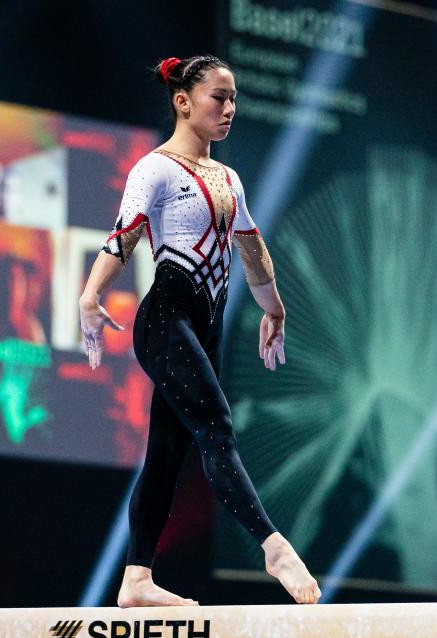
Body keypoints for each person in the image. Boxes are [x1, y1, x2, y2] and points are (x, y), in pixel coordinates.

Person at [79, 55, 321, 607]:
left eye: (234, 98)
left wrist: (274, 308)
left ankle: (136, 579)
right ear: (183, 101)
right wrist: (91, 294)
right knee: (216, 427)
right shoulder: (155, 169)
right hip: (167, 319)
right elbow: (126, 234)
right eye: (219, 97)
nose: (230, 107)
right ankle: (272, 545)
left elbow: (252, 249)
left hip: (203, 327)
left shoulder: (229, 178)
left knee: (166, 452)